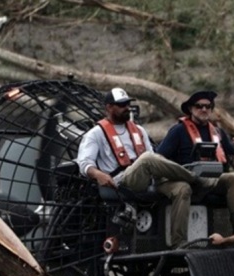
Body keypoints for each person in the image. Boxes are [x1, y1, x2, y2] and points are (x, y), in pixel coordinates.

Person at [77, 87, 214, 248]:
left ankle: (179, 242)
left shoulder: (139, 130)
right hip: (121, 181)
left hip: (147, 178)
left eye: (128, 104)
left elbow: (155, 159)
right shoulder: (96, 133)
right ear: (109, 107)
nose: (126, 108)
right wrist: (98, 174)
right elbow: (84, 163)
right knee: (147, 159)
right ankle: (196, 178)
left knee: (182, 188)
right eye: (121, 105)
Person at [156, 90, 234, 233]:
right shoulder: (178, 131)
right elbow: (159, 157)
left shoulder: (218, 133)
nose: (204, 109)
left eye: (208, 106)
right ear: (190, 109)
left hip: (221, 181)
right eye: (199, 106)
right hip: (195, 181)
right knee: (233, 178)